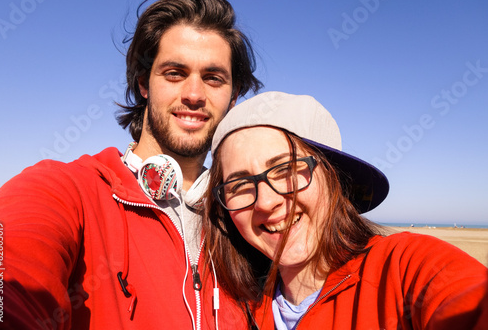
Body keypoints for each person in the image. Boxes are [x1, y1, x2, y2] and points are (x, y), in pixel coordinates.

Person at [0, 0, 262, 329]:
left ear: (233, 96)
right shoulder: (66, 190)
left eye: (213, 78)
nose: (194, 94)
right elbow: (5, 279)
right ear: (144, 83)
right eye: (175, 73)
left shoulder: (247, 223)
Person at [203, 91, 488, 329]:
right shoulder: (233, 307)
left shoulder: (403, 270)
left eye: (286, 169)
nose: (265, 202)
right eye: (239, 185)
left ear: (334, 175)